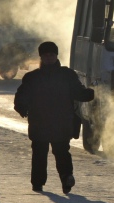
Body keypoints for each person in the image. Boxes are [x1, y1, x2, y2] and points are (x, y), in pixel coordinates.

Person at [14, 41, 94, 194]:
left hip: (61, 122)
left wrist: (89, 93)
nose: (49, 57)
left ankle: (66, 179)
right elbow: (21, 96)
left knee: (62, 151)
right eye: (46, 55)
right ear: (41, 57)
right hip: (39, 122)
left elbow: (78, 92)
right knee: (39, 153)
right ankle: (38, 184)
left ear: (56, 56)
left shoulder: (67, 75)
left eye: (51, 54)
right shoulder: (32, 77)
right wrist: (22, 107)